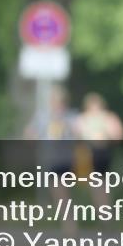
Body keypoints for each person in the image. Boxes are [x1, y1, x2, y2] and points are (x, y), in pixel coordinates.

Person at [24, 86, 80, 233]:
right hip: (51, 159)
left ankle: (70, 225)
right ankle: (68, 224)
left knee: (63, 193)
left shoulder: (71, 116)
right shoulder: (43, 117)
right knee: (60, 193)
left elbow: (79, 133)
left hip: (68, 159)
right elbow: (30, 133)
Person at [75, 92, 123, 207]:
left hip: (103, 152)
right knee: (95, 184)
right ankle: (101, 210)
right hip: (88, 153)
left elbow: (118, 135)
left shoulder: (107, 117)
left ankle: (104, 210)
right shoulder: (84, 118)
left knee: (100, 183)